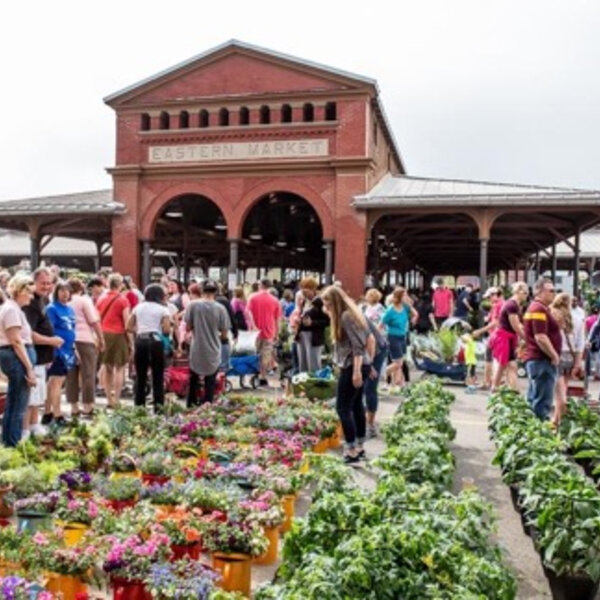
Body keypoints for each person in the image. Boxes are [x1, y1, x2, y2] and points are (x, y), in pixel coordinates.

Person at [321, 285, 374, 464]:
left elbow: (357, 346)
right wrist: (369, 364)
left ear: (335, 302)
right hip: (361, 364)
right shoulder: (354, 313)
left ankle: (351, 449)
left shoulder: (345, 317)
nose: (325, 307)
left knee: (343, 407)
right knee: (357, 405)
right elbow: (369, 338)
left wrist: (357, 371)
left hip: (353, 366)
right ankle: (359, 446)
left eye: (327, 303)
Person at [21, 267, 63, 430]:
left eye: (49, 283)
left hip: (42, 358)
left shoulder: (43, 300)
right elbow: (27, 333)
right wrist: (51, 341)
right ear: (34, 282)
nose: (47, 286)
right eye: (43, 283)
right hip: (34, 357)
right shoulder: (30, 303)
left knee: (37, 398)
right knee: (30, 399)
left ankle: (33, 428)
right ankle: (26, 432)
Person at [0, 274, 37, 446]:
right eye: (28, 292)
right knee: (18, 404)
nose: (31, 296)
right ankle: (12, 442)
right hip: (15, 357)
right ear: (19, 291)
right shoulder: (12, 310)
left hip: (14, 355)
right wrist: (29, 368)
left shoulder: (12, 309)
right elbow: (15, 341)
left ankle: (8, 441)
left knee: (14, 402)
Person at [127, 284, 172, 413]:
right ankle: (158, 408)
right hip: (156, 342)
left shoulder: (138, 308)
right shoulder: (163, 309)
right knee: (157, 376)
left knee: (140, 376)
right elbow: (167, 330)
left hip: (141, 341)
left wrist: (141, 330)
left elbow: (128, 327)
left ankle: (139, 407)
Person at [184, 279, 230, 406]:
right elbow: (224, 332)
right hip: (213, 348)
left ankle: (191, 404)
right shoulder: (221, 309)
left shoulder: (192, 305)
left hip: (196, 347)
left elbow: (187, 327)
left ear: (201, 291)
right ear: (216, 292)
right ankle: (207, 405)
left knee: (193, 379)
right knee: (210, 381)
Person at [65, 278, 104, 418]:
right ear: (81, 289)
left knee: (71, 374)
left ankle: (74, 406)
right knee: (88, 373)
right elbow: (93, 321)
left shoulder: (64, 303)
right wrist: (101, 339)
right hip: (85, 339)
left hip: (68, 341)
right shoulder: (84, 301)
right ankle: (88, 406)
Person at [523, 277, 560, 420]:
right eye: (551, 290)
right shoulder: (539, 309)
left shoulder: (537, 307)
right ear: (539, 291)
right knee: (542, 401)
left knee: (534, 398)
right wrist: (554, 355)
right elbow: (540, 337)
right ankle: (538, 433)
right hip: (542, 360)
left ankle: (531, 430)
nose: (554, 293)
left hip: (537, 360)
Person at [96, 273, 131, 408]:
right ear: (120, 285)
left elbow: (96, 318)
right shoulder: (123, 300)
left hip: (104, 333)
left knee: (107, 366)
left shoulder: (101, 299)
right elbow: (127, 322)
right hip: (118, 334)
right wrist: (131, 342)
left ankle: (108, 398)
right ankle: (116, 398)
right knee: (120, 368)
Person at [550, 292, 584, 426]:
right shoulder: (578, 319)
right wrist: (577, 363)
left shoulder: (553, 316)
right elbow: (580, 344)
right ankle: (556, 420)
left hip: (556, 354)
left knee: (559, 392)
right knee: (563, 388)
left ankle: (560, 421)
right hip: (570, 356)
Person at [45, 281, 77, 425]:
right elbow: (48, 329)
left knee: (54, 382)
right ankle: (57, 414)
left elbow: (72, 329)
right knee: (56, 382)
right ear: (56, 292)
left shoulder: (70, 310)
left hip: (68, 350)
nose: (65, 294)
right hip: (57, 350)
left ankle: (47, 412)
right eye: (62, 291)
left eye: (67, 291)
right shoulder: (51, 309)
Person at [490, 282, 528, 392]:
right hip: (504, 337)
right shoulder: (512, 305)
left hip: (507, 337)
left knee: (510, 364)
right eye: (524, 292)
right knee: (504, 364)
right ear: (518, 291)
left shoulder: (513, 304)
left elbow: (517, 325)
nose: (526, 295)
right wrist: (526, 338)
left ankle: (509, 387)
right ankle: (496, 386)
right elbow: (515, 325)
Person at [247, 278, 282, 386]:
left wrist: (253, 325)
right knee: (265, 355)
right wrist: (277, 333)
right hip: (269, 330)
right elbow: (277, 318)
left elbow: (248, 313)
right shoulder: (275, 300)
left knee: (254, 353)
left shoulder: (252, 297)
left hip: (254, 332)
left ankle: (253, 374)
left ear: (260, 285)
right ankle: (262, 375)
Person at [362, 288, 387, 437]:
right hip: (369, 346)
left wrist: (370, 361)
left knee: (370, 386)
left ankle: (370, 424)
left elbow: (378, 332)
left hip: (376, 347)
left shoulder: (378, 310)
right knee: (366, 386)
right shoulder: (365, 308)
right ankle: (365, 420)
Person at [382, 287, 417, 390]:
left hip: (403, 336)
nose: (406, 297)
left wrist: (413, 317)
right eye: (404, 295)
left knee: (399, 362)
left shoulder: (405, 307)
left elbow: (415, 314)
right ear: (399, 297)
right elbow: (382, 323)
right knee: (398, 363)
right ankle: (384, 373)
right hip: (393, 336)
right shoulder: (390, 310)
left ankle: (395, 384)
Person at [473, 287, 504, 390]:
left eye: (489, 297)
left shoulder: (497, 306)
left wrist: (479, 331)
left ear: (495, 295)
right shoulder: (504, 304)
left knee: (489, 359)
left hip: (495, 335)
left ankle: (488, 382)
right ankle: (496, 381)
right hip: (502, 336)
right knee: (498, 360)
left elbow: (495, 323)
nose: (489, 300)